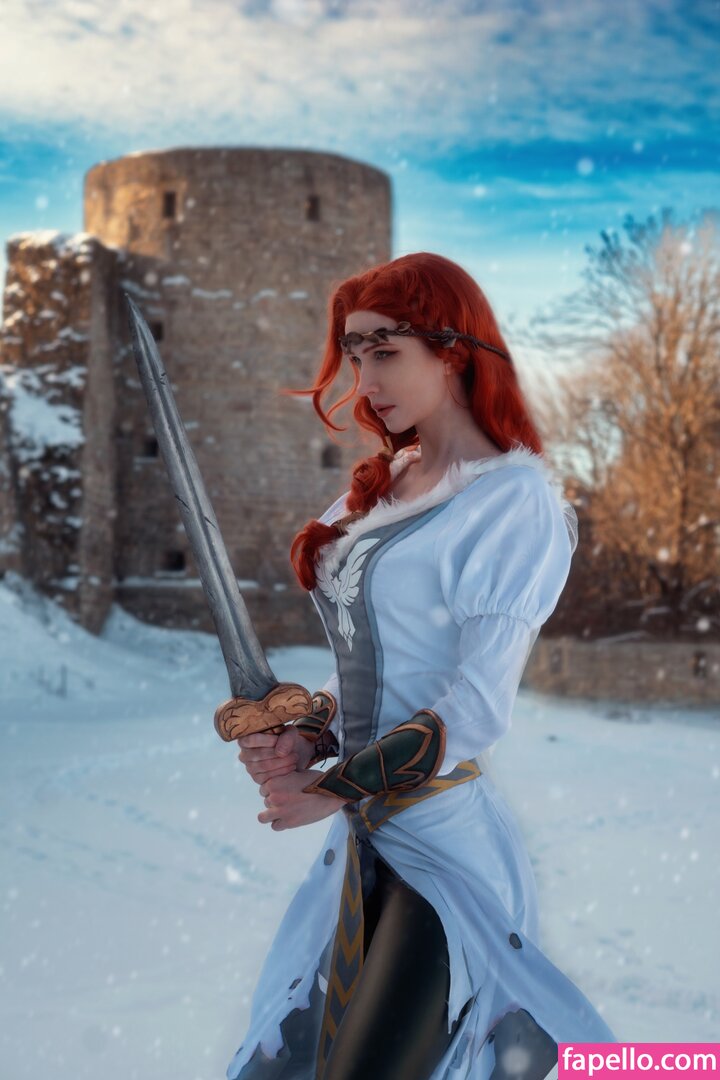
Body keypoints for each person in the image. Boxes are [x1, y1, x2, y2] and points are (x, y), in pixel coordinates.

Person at [225, 252, 615, 1079]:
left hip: (444, 844)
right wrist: (306, 733)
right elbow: (365, 675)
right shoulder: (377, 492)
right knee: (286, 1067)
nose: (365, 382)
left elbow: (474, 707)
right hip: (365, 844)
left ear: (453, 352)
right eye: (354, 354)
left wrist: (331, 785)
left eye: (385, 352)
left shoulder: (512, 501)